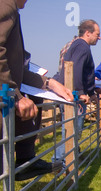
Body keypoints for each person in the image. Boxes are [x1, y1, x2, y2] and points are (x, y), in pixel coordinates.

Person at [0, 0, 74, 181]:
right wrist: (16, 95)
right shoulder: (6, 5)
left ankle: (26, 159)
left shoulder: (12, 9)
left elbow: (16, 68)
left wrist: (49, 83)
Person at [52, 19, 101, 162]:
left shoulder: (79, 45)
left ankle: (66, 160)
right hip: (73, 95)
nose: (99, 37)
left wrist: (91, 92)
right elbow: (75, 70)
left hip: (72, 93)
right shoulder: (82, 46)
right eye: (97, 34)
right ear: (87, 33)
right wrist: (80, 93)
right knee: (71, 130)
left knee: (73, 130)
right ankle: (60, 162)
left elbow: (84, 74)